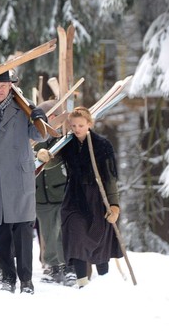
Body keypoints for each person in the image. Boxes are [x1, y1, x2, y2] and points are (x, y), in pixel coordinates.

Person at [0, 68, 48, 294]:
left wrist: (39, 116)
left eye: (4, 85)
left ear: (11, 86)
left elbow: (41, 136)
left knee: (23, 231)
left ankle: (26, 280)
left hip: (19, 177)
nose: (0, 89)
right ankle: (7, 277)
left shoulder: (24, 107)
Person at [53, 106, 121, 288]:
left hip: (97, 198)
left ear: (90, 124)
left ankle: (104, 281)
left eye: (81, 125)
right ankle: (81, 281)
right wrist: (45, 155)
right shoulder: (67, 144)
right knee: (76, 236)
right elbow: (53, 159)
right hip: (74, 197)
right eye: (73, 125)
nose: (77, 129)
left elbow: (110, 178)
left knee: (99, 238)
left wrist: (114, 205)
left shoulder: (102, 145)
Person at [33, 102, 72, 286]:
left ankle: (68, 264)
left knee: (63, 231)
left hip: (60, 191)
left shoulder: (64, 138)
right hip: (41, 195)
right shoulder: (34, 137)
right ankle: (52, 265)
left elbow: (59, 160)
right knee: (47, 232)